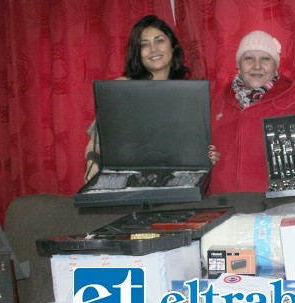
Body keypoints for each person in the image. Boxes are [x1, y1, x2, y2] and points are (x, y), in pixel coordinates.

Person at [84, 15, 219, 181]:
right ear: (137, 53)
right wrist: (93, 162)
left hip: (176, 186)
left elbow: (192, 146)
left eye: (159, 40)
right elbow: (97, 141)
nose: (154, 49)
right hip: (130, 186)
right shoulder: (122, 89)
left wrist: (207, 154)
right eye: (144, 45)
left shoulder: (189, 95)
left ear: (172, 45)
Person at [208, 30, 295, 193]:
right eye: (249, 58)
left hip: (276, 206)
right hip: (221, 205)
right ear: (238, 64)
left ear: (276, 65)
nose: (257, 66)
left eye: (265, 59)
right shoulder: (215, 102)